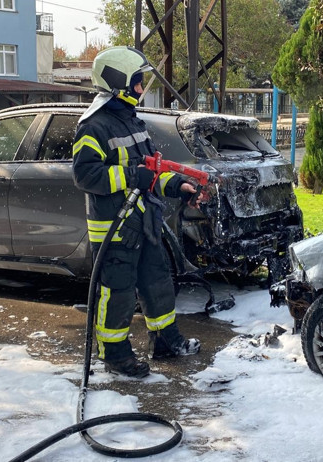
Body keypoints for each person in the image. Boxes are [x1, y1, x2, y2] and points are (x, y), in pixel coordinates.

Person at [72, 46, 201, 378]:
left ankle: (165, 341)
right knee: (117, 294)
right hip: (114, 230)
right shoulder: (93, 127)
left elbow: (151, 170)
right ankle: (115, 355)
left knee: (158, 283)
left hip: (143, 222)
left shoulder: (132, 122)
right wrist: (131, 177)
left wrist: (178, 186)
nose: (142, 88)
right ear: (118, 83)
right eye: (137, 82)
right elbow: (85, 176)